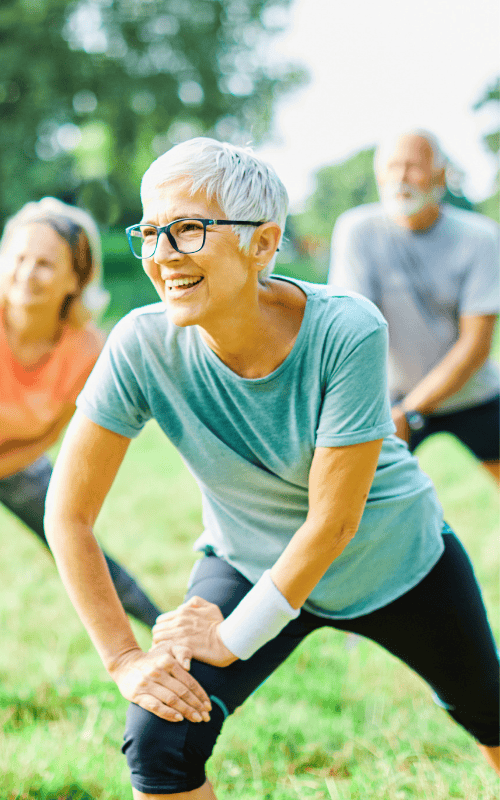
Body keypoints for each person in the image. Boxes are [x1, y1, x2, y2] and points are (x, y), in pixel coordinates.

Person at [44, 139, 499, 799]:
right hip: (249, 559)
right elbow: (69, 513)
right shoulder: (140, 344)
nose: (163, 254)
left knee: (489, 712)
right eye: (151, 232)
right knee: (160, 736)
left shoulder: (348, 331)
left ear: (263, 244)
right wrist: (124, 658)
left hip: (393, 560)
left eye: (189, 230)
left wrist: (232, 636)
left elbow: (333, 520)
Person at [0, 197, 161, 628]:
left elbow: (47, 435)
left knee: (75, 542)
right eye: (17, 257)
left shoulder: (88, 350)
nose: (26, 273)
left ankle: (162, 627)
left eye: (45, 264)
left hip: (16, 463)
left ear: (76, 279)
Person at [328, 129, 500, 483]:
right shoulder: (356, 230)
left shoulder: (480, 237)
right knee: (362, 495)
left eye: (413, 166)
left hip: (471, 392)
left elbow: (476, 345)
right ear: (378, 176)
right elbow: (351, 327)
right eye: (392, 167)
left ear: (441, 176)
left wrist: (412, 409)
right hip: (391, 396)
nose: (401, 177)